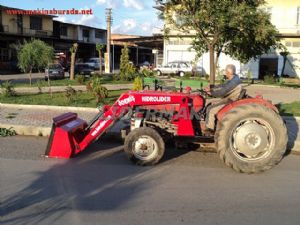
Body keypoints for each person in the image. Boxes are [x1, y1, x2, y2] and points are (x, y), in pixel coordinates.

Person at [204, 64, 243, 131]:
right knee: (210, 105)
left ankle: (210, 129)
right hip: (229, 99)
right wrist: (211, 87)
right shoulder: (234, 79)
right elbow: (223, 86)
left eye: (226, 72)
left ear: (228, 72)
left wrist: (211, 93)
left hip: (231, 101)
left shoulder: (233, 82)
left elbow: (223, 91)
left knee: (211, 110)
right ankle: (209, 124)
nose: (225, 73)